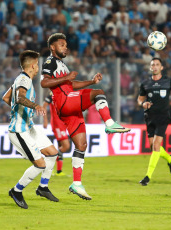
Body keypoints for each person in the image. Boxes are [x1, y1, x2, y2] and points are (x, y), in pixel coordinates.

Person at [40, 33, 130, 200]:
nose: (65, 47)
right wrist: (67, 78)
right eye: (61, 44)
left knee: (81, 145)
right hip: (64, 101)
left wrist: (90, 81)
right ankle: (109, 123)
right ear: (52, 47)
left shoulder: (62, 64)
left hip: (70, 105)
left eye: (66, 44)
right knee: (98, 94)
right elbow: (44, 82)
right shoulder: (50, 62)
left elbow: (72, 84)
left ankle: (77, 184)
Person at [2, 50, 60, 209]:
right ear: (33, 65)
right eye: (37, 65)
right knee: (40, 164)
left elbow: (6, 98)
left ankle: (43, 187)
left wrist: (19, 112)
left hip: (29, 127)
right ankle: (16, 191)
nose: (38, 68)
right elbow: (20, 98)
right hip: (19, 132)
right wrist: (35, 106)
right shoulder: (24, 80)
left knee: (53, 153)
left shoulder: (19, 79)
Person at [137, 58, 171, 186]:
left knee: (156, 146)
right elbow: (139, 99)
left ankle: (147, 177)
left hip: (163, 116)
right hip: (149, 117)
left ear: (161, 67)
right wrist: (143, 103)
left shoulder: (169, 81)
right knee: (153, 147)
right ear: (150, 68)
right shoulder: (145, 83)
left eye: (157, 65)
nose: (155, 67)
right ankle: (170, 158)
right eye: (153, 65)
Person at [43, 92, 71, 176]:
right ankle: (49, 157)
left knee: (61, 146)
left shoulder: (64, 94)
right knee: (66, 146)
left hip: (62, 123)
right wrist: (45, 120)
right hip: (57, 124)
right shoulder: (52, 95)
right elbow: (44, 106)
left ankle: (59, 171)